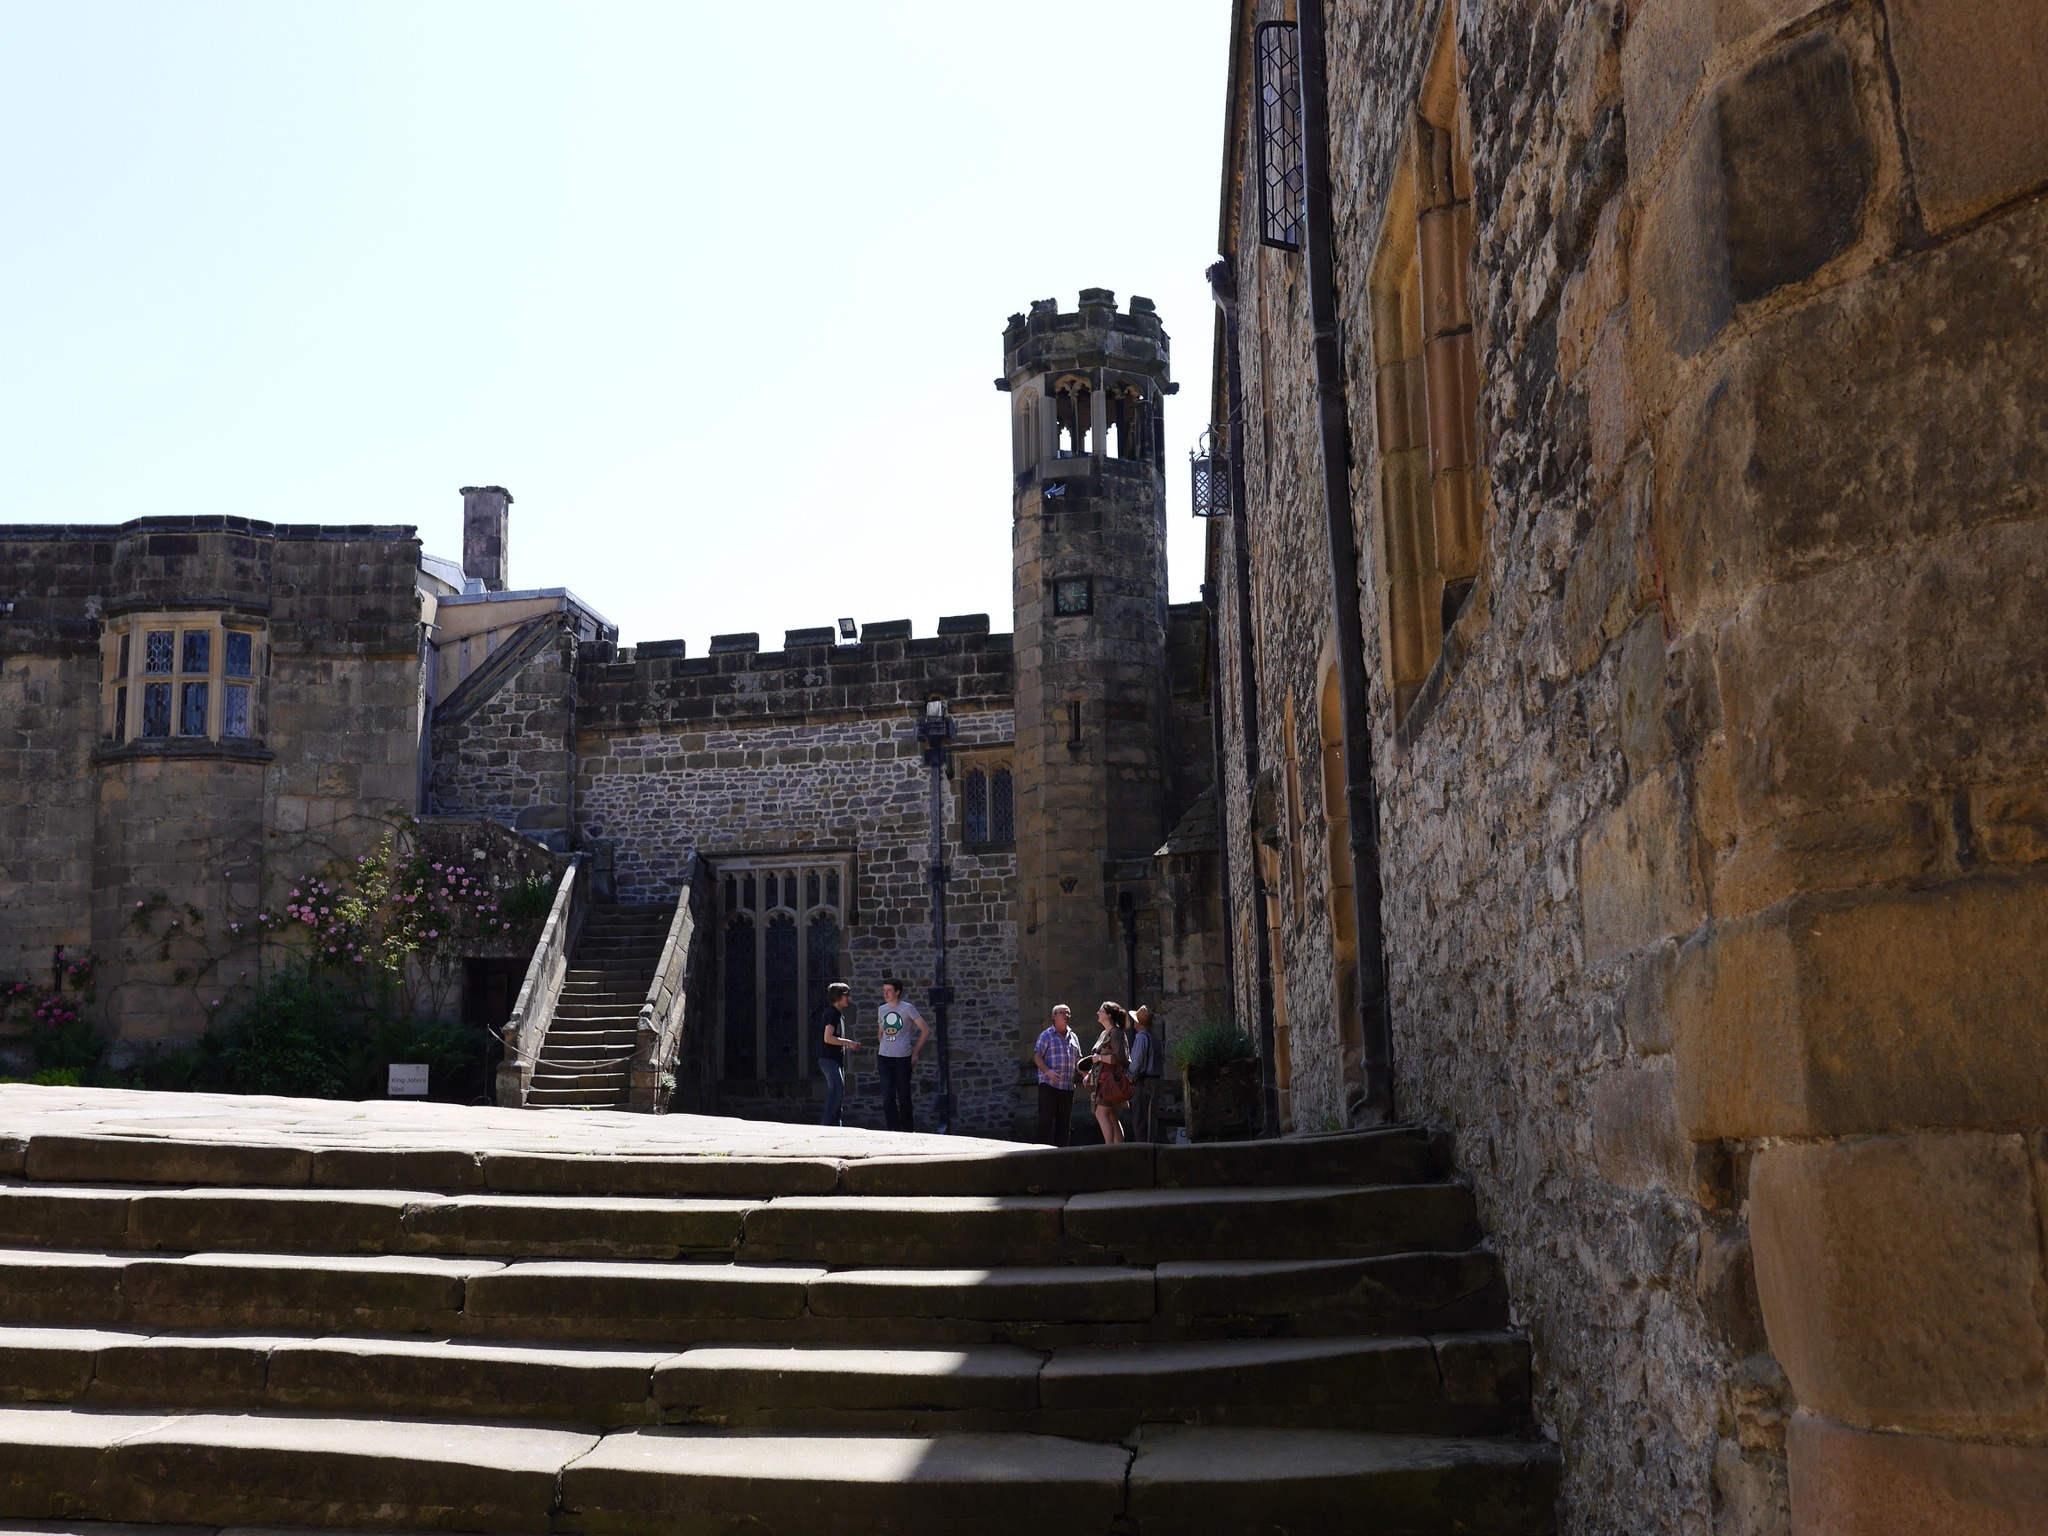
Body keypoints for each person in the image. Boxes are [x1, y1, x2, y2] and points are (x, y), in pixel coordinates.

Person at [874, 978, 929, 1133]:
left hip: (902, 1059)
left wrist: (915, 1053)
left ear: (897, 992)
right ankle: (893, 1130)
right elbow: (880, 1032)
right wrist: (884, 1046)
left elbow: (925, 1030)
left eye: (889, 990)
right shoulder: (882, 1009)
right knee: (887, 1098)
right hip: (884, 1058)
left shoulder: (907, 1008)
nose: (886, 993)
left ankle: (907, 1130)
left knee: (904, 1097)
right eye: (884, 990)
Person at [1084, 1001, 1134, 1146]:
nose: (1098, 1014)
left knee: (1101, 1114)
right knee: (1111, 1116)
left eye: (1101, 1011)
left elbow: (1121, 1059)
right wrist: (1090, 1073)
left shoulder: (1116, 1033)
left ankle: (1109, 1149)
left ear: (1108, 1015)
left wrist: (1100, 1057)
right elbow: (1098, 1059)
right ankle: (1119, 1150)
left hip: (1110, 1082)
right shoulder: (1103, 1034)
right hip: (1101, 1081)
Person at [1032, 1004, 1081, 1146]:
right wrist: (1048, 1071)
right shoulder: (1046, 1035)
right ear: (1054, 1017)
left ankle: (1062, 1154)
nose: (1066, 1016)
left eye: (1068, 1013)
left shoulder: (1074, 1037)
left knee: (1064, 1124)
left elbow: (1078, 1059)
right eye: (1062, 1013)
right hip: (1049, 1085)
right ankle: (1040, 1154)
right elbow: (1037, 1057)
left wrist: (1085, 1074)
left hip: (1067, 1087)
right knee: (1045, 1121)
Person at [816, 981, 860, 1127]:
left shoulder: (837, 1015)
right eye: (846, 995)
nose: (849, 998)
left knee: (838, 1092)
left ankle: (835, 1125)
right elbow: (828, 1038)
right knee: (836, 1091)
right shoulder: (832, 1014)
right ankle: (827, 1126)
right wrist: (848, 1042)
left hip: (833, 1059)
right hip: (828, 1059)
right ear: (838, 996)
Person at [1128, 1004, 1161, 1143]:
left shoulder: (1141, 1037)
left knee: (1139, 1120)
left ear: (1138, 1022)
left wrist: (1129, 1075)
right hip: (1154, 1082)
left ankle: (1143, 1152)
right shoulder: (1154, 1038)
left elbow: (1136, 1063)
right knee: (1150, 1119)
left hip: (1143, 1082)